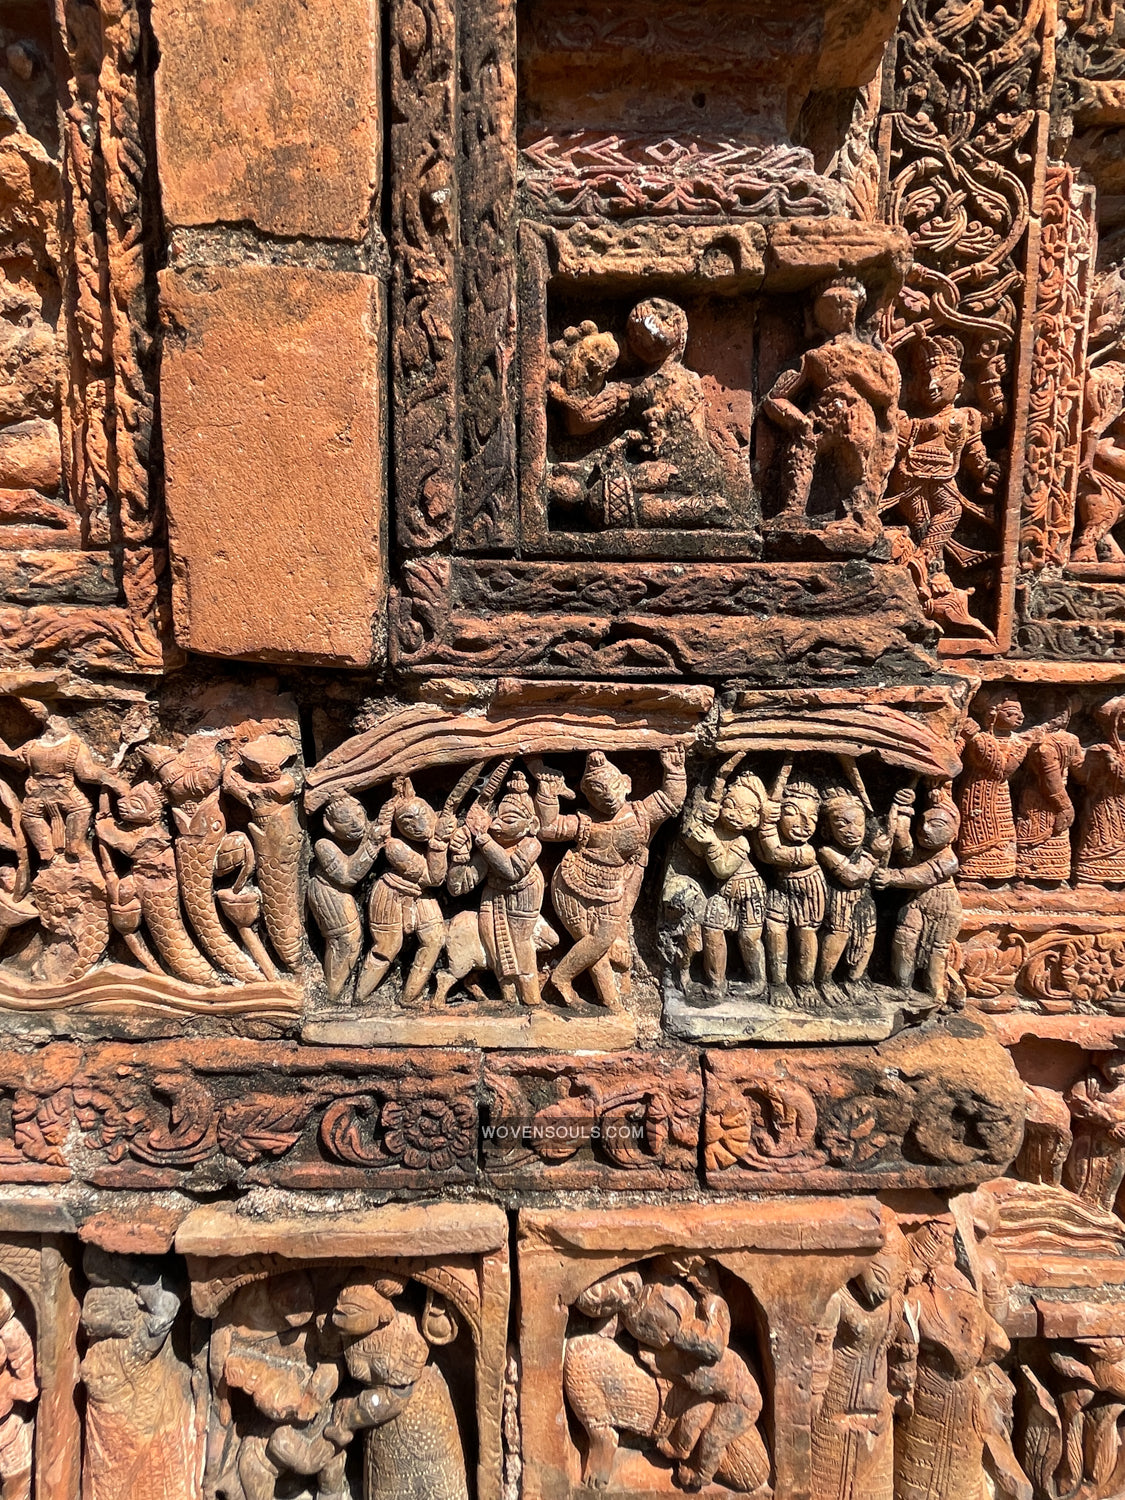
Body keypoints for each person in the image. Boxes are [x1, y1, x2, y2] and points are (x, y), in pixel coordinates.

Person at [533, 746, 686, 1010]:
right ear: (586, 796)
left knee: (599, 943)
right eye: (596, 793)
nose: (607, 797)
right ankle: (567, 981)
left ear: (626, 783)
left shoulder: (640, 814)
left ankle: (607, 1001)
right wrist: (546, 793)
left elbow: (671, 799)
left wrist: (674, 771)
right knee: (599, 942)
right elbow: (548, 828)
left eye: (613, 787)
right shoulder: (586, 823)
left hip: (614, 888)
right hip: (573, 884)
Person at [762, 276, 900, 541]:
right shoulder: (815, 356)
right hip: (819, 417)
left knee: (855, 464)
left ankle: (856, 514)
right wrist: (798, 420)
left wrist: (857, 374)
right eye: (830, 307)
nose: (840, 310)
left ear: (856, 311)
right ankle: (792, 510)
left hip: (857, 416)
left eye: (846, 305)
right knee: (800, 450)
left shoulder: (871, 356)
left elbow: (886, 395)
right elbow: (776, 397)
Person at [440, 771, 549, 1007]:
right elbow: (458, 887)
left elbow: (511, 870)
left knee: (523, 946)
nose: (497, 824)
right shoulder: (489, 852)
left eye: (508, 820)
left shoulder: (531, 845)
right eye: (496, 818)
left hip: (523, 906)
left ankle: (531, 998)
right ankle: (510, 998)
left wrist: (482, 839)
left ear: (532, 825)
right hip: (492, 904)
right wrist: (459, 857)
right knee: (497, 951)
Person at [357, 779, 454, 1006]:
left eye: (423, 814)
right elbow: (433, 878)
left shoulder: (438, 824)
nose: (419, 825)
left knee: (435, 938)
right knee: (387, 947)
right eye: (408, 824)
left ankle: (409, 996)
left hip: (419, 894)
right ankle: (358, 997)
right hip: (392, 895)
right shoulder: (395, 848)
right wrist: (439, 843)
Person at [872, 792, 962, 1006]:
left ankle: (934, 993)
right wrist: (903, 811)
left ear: (953, 835)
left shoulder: (949, 860)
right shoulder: (920, 852)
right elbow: (903, 844)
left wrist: (891, 877)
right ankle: (901, 986)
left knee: (937, 950)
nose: (925, 829)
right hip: (916, 902)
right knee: (904, 938)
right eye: (922, 823)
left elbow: (923, 875)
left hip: (943, 906)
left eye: (937, 825)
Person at [956, 690, 1029, 881]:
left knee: (1003, 833)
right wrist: (963, 737)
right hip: (976, 793)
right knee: (976, 831)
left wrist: (1021, 749)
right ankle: (973, 875)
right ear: (993, 714)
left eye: (1020, 712)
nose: (1021, 717)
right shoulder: (980, 738)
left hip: (1000, 794)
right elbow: (952, 759)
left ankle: (1000, 874)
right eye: (1011, 713)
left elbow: (1003, 772)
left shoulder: (1017, 744)